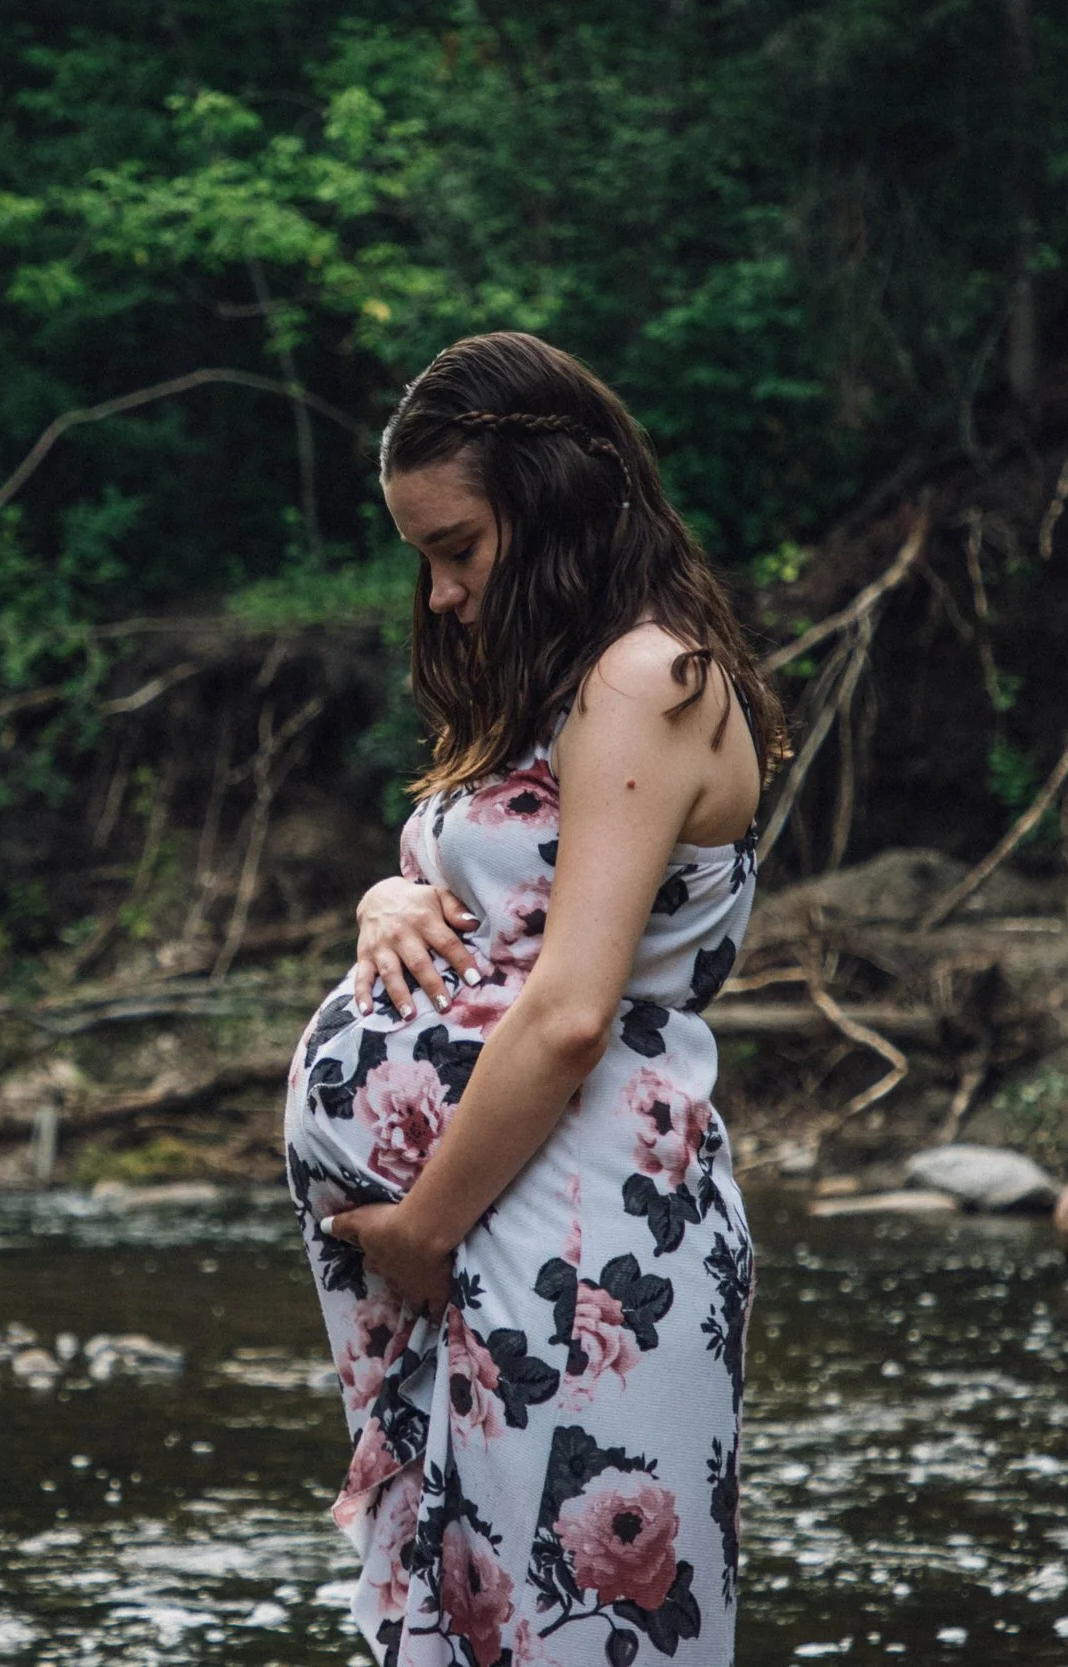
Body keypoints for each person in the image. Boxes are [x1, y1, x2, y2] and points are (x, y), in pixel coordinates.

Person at [284, 330, 788, 1666]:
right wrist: (385, 901)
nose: (441, 591)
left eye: (458, 547)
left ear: (553, 503)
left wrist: (420, 1230)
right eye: (423, 558)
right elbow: (492, 896)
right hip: (518, 1222)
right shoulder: (568, 691)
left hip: (576, 1240)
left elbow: (569, 1012)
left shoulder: (645, 681)